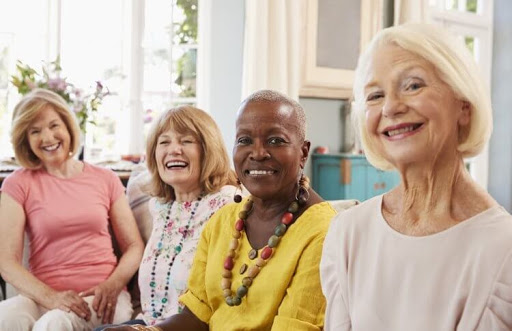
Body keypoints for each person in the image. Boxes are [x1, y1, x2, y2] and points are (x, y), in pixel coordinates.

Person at [320, 23, 512, 330]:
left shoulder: (503, 250)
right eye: (375, 95)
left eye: (413, 85)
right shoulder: (348, 233)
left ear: (463, 106)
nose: (392, 107)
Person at [103, 89, 337, 331]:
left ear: (303, 152)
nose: (257, 153)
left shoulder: (323, 232)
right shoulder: (224, 221)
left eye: (275, 140)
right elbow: (197, 313)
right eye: (244, 140)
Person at [0, 88, 145, 330]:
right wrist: (52, 297)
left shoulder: (105, 178)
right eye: (35, 131)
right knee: (7, 316)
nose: (47, 138)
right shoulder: (18, 183)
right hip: (45, 297)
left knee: (53, 324)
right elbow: (7, 262)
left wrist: (112, 285)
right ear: (25, 139)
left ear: (68, 127)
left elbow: (134, 246)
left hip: (101, 298)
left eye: (54, 125)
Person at [95, 106, 239, 330]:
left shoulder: (228, 205)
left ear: (208, 150)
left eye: (186, 141)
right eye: (164, 142)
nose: (174, 150)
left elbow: (216, 303)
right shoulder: (161, 207)